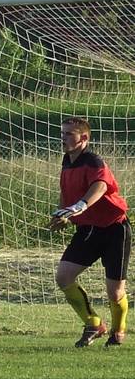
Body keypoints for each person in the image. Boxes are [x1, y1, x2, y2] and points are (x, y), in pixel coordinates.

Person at [49, 116, 129, 347]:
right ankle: (93, 324)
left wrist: (81, 205)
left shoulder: (93, 161)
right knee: (64, 277)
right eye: (62, 133)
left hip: (115, 229)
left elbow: (101, 186)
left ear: (83, 138)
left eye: (68, 134)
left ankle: (118, 330)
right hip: (88, 230)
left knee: (115, 292)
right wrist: (64, 214)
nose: (63, 138)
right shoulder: (67, 162)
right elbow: (66, 193)